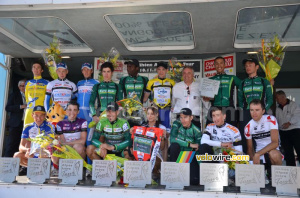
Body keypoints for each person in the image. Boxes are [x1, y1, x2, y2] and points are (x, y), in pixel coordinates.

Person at [238, 58, 273, 153]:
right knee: (245, 138)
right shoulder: (243, 83)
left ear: (257, 67)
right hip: (246, 113)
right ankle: (248, 162)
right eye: (246, 66)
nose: (247, 67)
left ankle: (265, 162)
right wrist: (244, 110)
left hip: (261, 113)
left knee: (262, 137)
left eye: (250, 65)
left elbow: (270, 99)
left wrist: (263, 110)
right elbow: (240, 100)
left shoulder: (264, 81)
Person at [13, 106, 55, 175]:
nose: (39, 118)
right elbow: (21, 146)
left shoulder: (50, 126)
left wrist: (40, 151)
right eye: (36, 116)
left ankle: (46, 168)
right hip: (31, 154)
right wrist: (27, 150)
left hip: (43, 154)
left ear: (45, 116)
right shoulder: (27, 127)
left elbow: (50, 145)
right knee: (17, 155)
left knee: (44, 154)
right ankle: (30, 168)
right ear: (32, 115)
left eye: (41, 116)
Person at [204, 57, 241, 127]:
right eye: (217, 63)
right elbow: (207, 97)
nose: (219, 65)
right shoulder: (210, 80)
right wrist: (206, 98)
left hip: (229, 108)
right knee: (210, 129)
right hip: (214, 108)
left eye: (221, 63)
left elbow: (243, 86)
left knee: (231, 130)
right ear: (214, 66)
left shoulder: (232, 78)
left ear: (225, 65)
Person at [169, 108, 201, 185]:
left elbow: (197, 149)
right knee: (174, 146)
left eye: (185, 117)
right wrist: (189, 144)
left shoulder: (197, 131)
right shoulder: (177, 124)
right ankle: (173, 171)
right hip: (177, 155)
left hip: (189, 156)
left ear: (191, 117)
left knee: (194, 181)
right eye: (181, 117)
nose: (183, 120)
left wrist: (200, 167)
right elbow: (172, 139)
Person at [245, 99, 282, 166]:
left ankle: (277, 175)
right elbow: (250, 148)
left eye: (257, 110)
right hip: (259, 156)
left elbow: (275, 143)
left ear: (263, 111)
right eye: (252, 110)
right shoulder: (248, 126)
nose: (254, 113)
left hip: (273, 151)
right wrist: (252, 161)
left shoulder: (271, 119)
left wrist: (258, 153)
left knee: (274, 154)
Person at [77, 63, 98, 164]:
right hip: (79, 114)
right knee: (79, 140)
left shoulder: (96, 82)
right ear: (81, 72)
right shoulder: (79, 83)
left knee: (89, 140)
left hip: (90, 115)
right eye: (84, 70)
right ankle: (78, 165)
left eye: (88, 69)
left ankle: (90, 166)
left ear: (92, 71)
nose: (86, 72)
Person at [143, 61, 175, 129]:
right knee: (155, 129)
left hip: (167, 110)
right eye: (159, 69)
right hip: (155, 110)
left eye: (163, 69)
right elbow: (145, 99)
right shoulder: (151, 82)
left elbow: (175, 97)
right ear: (157, 70)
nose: (161, 72)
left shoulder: (172, 82)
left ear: (167, 70)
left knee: (166, 130)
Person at [275, 90, 300, 166]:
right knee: (288, 153)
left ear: (283, 97)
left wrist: (289, 123)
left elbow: (297, 116)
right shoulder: (277, 108)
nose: (276, 100)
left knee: (299, 150)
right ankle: (291, 171)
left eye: (277, 98)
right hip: (283, 132)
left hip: (294, 130)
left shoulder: (293, 105)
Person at [4, 80, 27, 157]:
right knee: (11, 144)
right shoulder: (14, 95)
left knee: (24, 145)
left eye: (25, 85)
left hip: (26, 124)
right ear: (18, 87)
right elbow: (8, 108)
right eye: (22, 86)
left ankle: (21, 165)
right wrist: (20, 106)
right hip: (15, 124)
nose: (23, 87)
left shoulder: (31, 95)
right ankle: (7, 164)